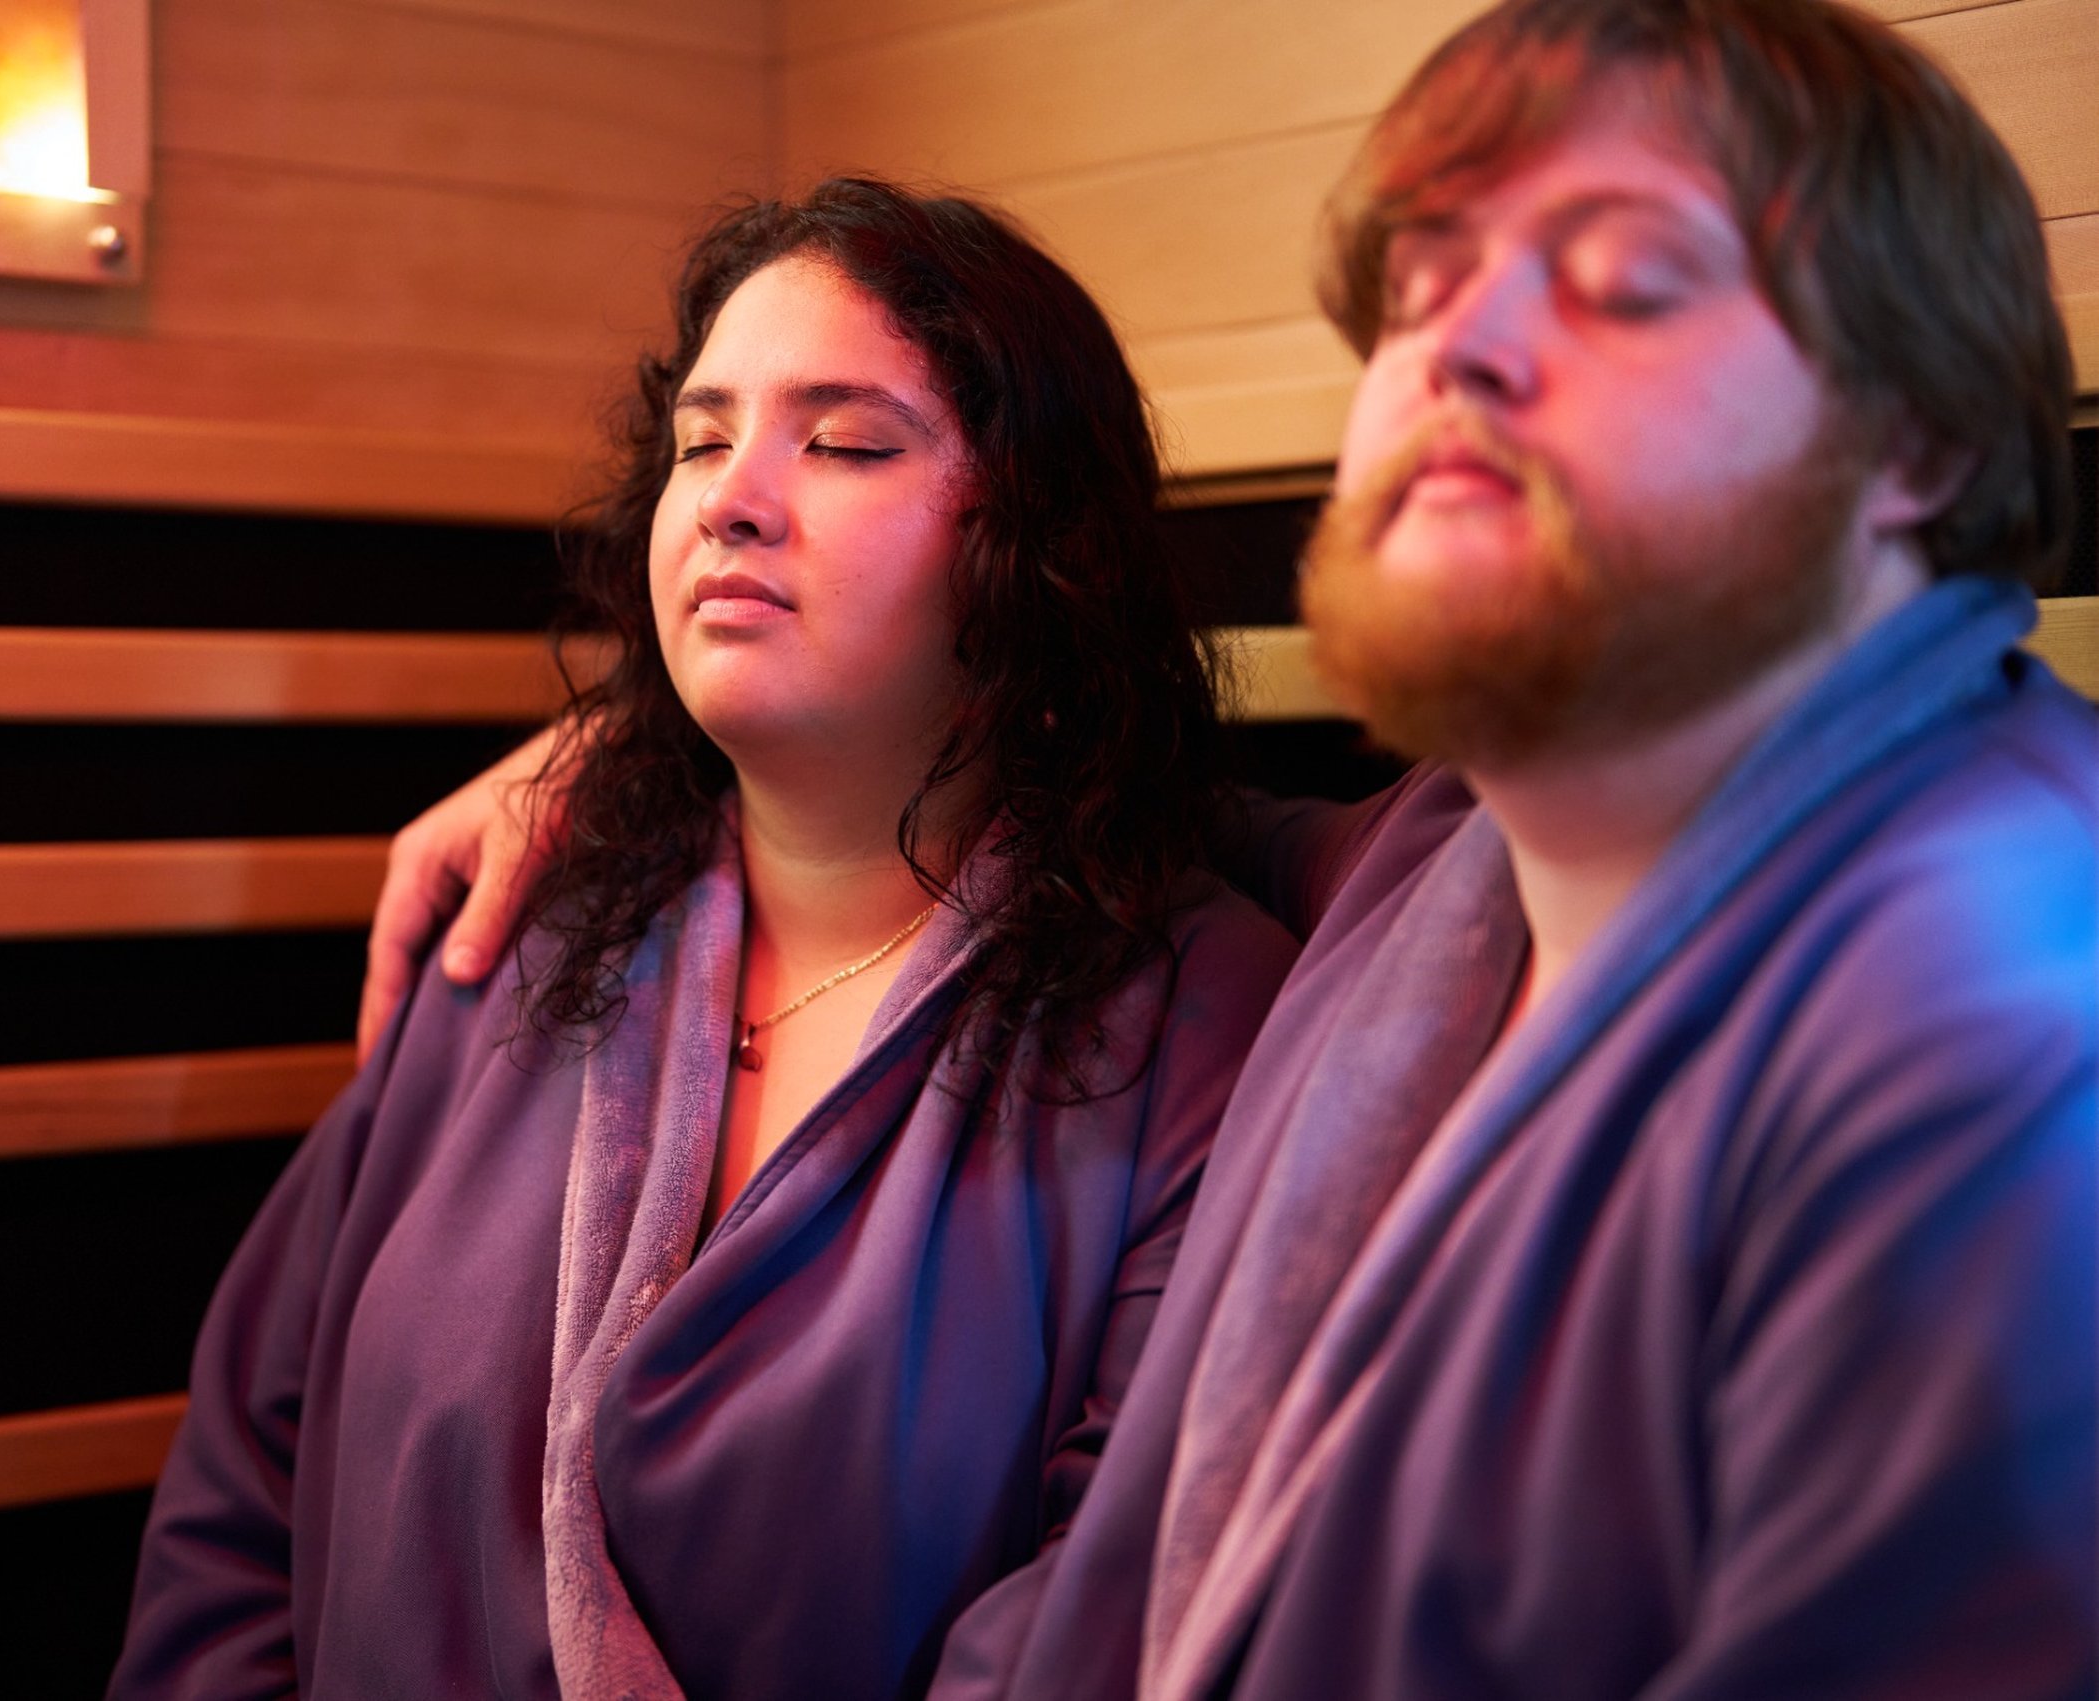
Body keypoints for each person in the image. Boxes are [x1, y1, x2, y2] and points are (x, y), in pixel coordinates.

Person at [367, 2, 2097, 1695]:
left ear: (1914, 441)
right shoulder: (1443, 879)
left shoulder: (1996, 1016)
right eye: (1417, 293)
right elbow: (1066, 805)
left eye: (1621, 279)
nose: (1460, 346)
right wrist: (664, 740)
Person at [107, 179, 1295, 1701]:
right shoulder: (528, 936)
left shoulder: (1194, 1031)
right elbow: (240, 1493)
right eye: (703, 440)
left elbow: (1105, 1616)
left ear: (1040, 551)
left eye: (847, 441)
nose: (737, 494)